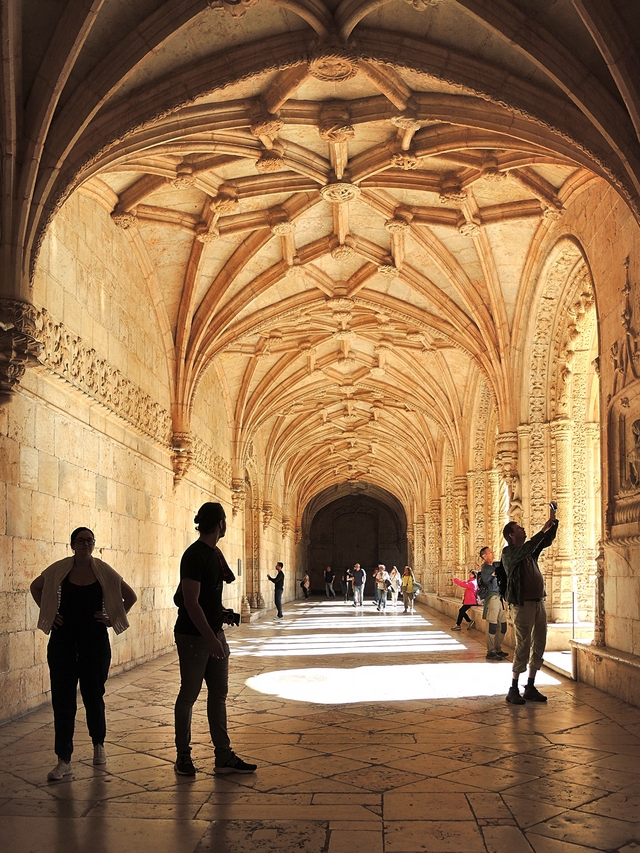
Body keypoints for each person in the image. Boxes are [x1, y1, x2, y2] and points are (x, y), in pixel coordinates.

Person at [30, 527, 137, 781]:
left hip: (94, 643)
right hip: (63, 642)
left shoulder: (103, 571)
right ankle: (63, 760)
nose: (85, 544)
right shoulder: (60, 570)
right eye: (80, 540)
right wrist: (49, 613)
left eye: (89, 541)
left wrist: (112, 618)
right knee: (63, 701)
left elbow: (130, 596)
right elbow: (36, 587)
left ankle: (98, 744)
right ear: (72, 544)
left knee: (93, 696)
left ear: (93, 544)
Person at [173, 502, 257, 776]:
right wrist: (211, 638)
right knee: (189, 695)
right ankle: (183, 756)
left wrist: (222, 614)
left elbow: (206, 600)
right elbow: (189, 602)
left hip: (212, 633)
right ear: (220, 523)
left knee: (218, 695)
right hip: (194, 637)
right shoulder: (195, 555)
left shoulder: (213, 554)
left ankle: (223, 755)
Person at [502, 502, 559, 705]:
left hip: (538, 603)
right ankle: (513, 687)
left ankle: (531, 685)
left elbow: (544, 542)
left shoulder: (529, 553)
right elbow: (529, 546)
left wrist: (553, 522)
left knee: (539, 643)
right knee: (523, 644)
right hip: (522, 604)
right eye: (519, 528)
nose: (523, 529)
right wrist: (542, 529)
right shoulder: (509, 554)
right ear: (511, 535)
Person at [479, 546, 508, 661]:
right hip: (492, 597)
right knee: (492, 625)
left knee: (503, 625)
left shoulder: (495, 565)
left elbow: (503, 564)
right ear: (484, 556)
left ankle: (497, 648)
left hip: (500, 597)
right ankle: (490, 651)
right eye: (490, 552)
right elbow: (487, 579)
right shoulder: (485, 568)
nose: (492, 553)